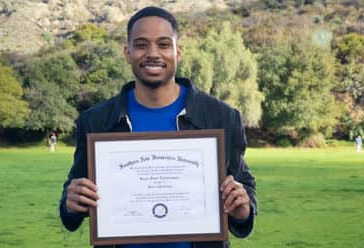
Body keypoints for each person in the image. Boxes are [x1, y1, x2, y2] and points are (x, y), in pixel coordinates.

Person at [59, 6, 257, 248]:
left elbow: (243, 185)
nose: (153, 53)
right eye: (141, 45)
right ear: (127, 53)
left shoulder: (222, 117)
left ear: (178, 52)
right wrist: (70, 203)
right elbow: (74, 200)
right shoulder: (95, 121)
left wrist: (243, 209)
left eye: (163, 44)